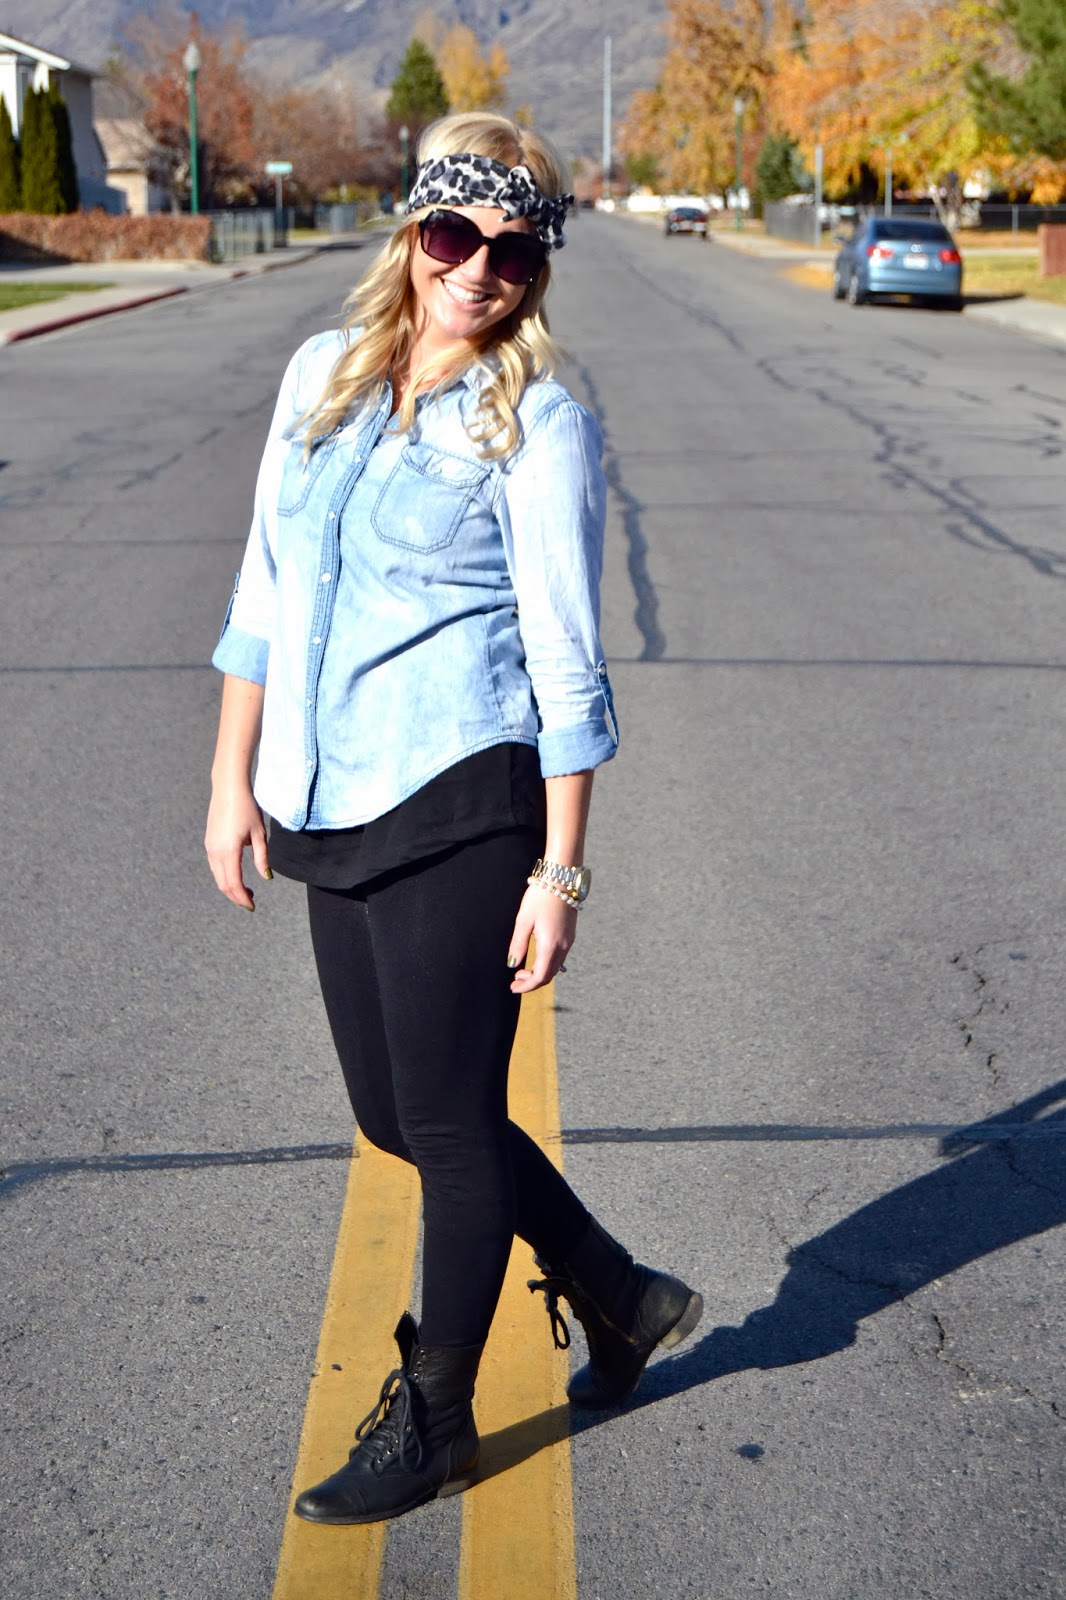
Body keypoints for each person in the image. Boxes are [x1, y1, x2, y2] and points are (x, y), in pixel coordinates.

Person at [204, 112, 702, 1528]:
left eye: (513, 249)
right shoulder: (320, 374)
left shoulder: (537, 424)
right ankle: (620, 1293)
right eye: (453, 234)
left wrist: (561, 871)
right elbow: (261, 592)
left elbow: (566, 665)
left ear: (538, 268)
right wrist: (231, 780)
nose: (477, 269)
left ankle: (435, 1419)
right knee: (396, 1116)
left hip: (463, 796)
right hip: (326, 793)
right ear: (412, 232)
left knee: (448, 1123)